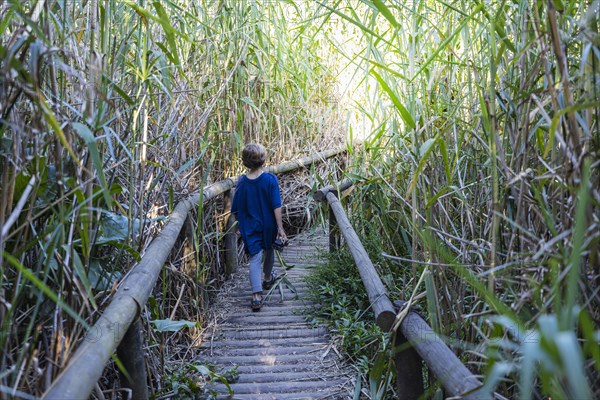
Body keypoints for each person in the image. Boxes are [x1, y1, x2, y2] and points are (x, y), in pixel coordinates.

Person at [231, 143, 287, 311]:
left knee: (254, 258)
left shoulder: (242, 182)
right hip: (268, 224)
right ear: (264, 161)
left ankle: (256, 296)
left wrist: (237, 227)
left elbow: (236, 207)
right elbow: (276, 205)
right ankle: (268, 277)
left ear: (245, 162)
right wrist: (280, 228)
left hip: (249, 226)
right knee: (269, 250)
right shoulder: (270, 180)